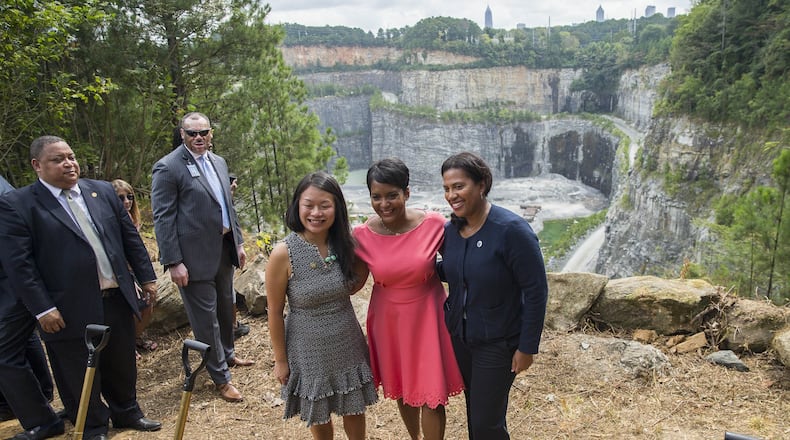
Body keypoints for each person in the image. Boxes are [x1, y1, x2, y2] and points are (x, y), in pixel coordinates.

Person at [0, 136, 162, 440]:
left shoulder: (99, 191)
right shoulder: (19, 204)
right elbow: (19, 265)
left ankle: (128, 411)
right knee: (76, 370)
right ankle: (92, 425)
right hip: (66, 306)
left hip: (115, 294)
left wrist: (147, 277)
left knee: (121, 361)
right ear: (37, 166)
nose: (68, 163)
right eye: (57, 159)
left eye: (70, 157)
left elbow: (130, 238)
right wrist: (42, 308)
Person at [438, 152, 548, 440]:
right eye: (447, 188)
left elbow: (536, 290)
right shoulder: (452, 230)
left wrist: (527, 347)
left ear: (482, 184)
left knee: (488, 423)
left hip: (498, 343)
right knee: (476, 414)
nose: (452, 195)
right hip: (461, 338)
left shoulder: (511, 230)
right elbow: (453, 271)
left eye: (459, 186)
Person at [352, 158, 464, 440]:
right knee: (404, 388)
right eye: (376, 197)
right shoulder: (361, 236)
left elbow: (461, 264)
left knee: (432, 394)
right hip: (388, 320)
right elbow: (355, 282)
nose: (384, 203)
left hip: (429, 317)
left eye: (392, 195)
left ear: (407, 193)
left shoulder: (435, 225)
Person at [265, 172, 378, 439]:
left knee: (353, 405)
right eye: (309, 205)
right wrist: (280, 360)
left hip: (346, 337)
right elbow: (275, 312)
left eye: (325, 205)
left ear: (337, 208)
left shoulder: (345, 244)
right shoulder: (284, 252)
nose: (316, 212)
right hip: (307, 344)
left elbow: (359, 277)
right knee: (319, 408)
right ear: (297, 206)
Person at [151, 112, 253, 403]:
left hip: (223, 248)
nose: (198, 138)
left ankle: (229, 355)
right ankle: (220, 378)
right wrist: (173, 261)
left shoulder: (218, 161)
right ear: (182, 134)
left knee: (225, 307)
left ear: (211, 134)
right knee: (205, 319)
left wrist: (239, 241)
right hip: (192, 257)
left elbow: (227, 206)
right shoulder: (168, 168)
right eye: (192, 133)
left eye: (203, 133)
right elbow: (163, 218)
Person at [0, 175, 60, 439]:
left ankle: (41, 419)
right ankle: (42, 396)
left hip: (15, 277)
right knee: (22, 340)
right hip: (17, 276)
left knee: (3, 352)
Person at [111, 179, 158, 358]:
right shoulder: (110, 220)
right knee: (131, 309)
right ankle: (127, 345)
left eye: (129, 197)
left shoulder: (132, 219)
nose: (126, 201)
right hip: (122, 273)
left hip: (135, 271)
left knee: (147, 305)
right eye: (121, 198)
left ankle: (136, 337)